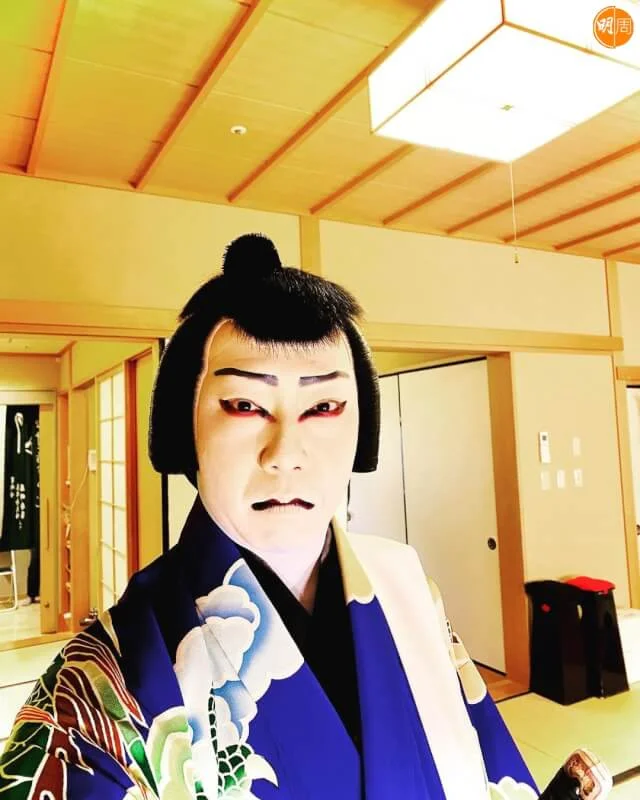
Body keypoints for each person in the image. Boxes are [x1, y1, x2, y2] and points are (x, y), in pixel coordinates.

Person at [0, 235, 538, 799]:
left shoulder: (407, 586)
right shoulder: (95, 689)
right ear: (184, 429)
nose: (286, 453)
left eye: (324, 406)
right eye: (244, 405)